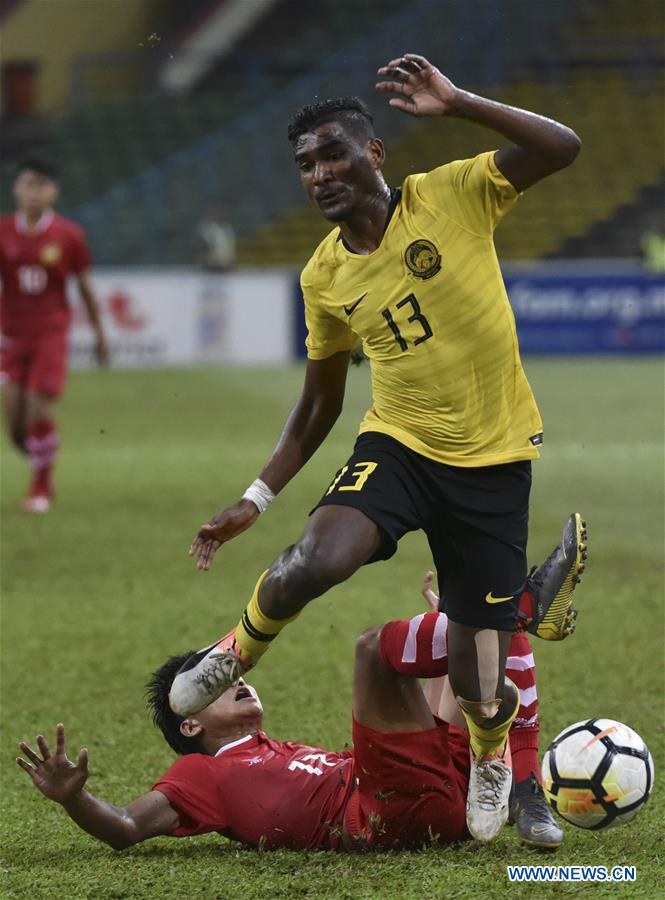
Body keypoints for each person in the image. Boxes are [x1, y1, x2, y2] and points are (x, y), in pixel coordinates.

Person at [182, 53, 582, 842]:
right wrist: (257, 496)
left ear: (373, 153)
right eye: (305, 165)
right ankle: (237, 649)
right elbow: (319, 401)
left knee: (475, 665)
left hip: (494, 456)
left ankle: (491, 747)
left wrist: (460, 102)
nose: (320, 174)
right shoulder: (323, 277)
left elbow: (561, 147)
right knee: (317, 558)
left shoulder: (454, 193)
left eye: (333, 153)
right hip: (398, 443)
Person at [16, 574, 569, 852]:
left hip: (441, 803)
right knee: (373, 650)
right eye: (215, 682)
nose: (238, 678)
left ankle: (484, 626)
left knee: (471, 642)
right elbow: (126, 827)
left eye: (231, 672)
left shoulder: (275, 750)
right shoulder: (199, 773)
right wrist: (74, 798)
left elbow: (416, 729)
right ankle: (506, 615)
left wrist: (447, 640)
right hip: (386, 814)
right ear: (190, 723)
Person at [0, 157, 108, 512]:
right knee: (15, 427)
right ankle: (42, 466)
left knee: (36, 409)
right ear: (17, 188)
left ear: (54, 192)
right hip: (12, 335)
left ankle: (40, 488)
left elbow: (85, 288)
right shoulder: (3, 231)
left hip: (51, 332)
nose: (34, 192)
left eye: (41, 185)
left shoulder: (69, 235)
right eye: (27, 184)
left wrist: (100, 334)